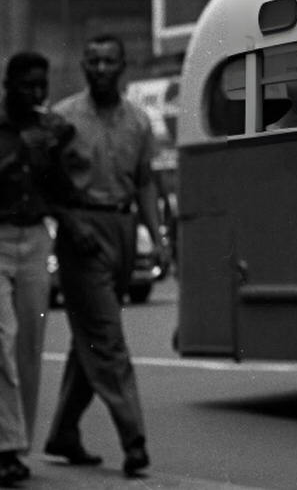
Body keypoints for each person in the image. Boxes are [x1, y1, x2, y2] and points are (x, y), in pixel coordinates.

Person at [45, 36, 171, 479]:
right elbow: (45, 181)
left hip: (121, 229)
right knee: (108, 339)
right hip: (82, 234)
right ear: (82, 64)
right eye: (93, 60)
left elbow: (145, 185)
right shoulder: (62, 118)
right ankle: (133, 440)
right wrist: (67, 221)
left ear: (123, 66)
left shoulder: (138, 120)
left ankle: (62, 433)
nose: (100, 68)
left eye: (108, 61)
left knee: (92, 338)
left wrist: (157, 239)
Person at [0, 53, 80, 487]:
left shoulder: (49, 128)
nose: (34, 93)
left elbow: (60, 186)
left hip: (35, 239)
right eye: (26, 85)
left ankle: (16, 446)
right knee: (1, 340)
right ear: (8, 85)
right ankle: (6, 447)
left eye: (40, 85)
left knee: (30, 345)